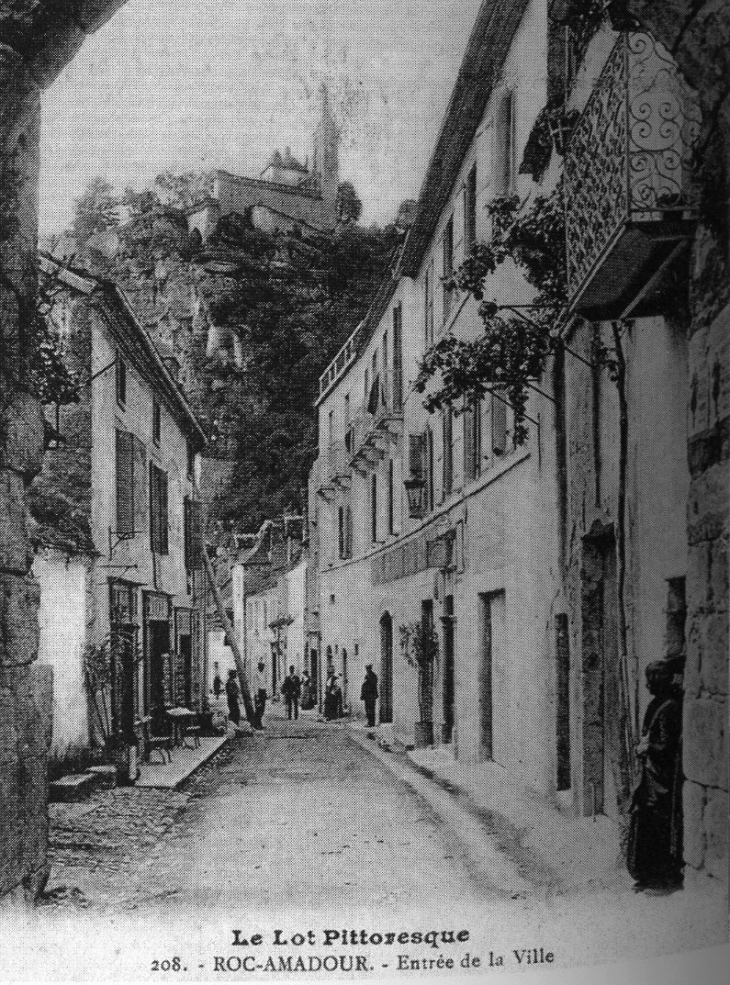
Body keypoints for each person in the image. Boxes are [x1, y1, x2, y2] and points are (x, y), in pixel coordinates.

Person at [627, 658, 684, 893]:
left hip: (661, 779)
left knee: (659, 826)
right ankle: (647, 875)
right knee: (646, 823)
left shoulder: (670, 707)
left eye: (655, 680)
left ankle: (660, 878)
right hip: (650, 777)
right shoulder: (658, 704)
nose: (650, 685)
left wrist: (647, 748)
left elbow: (666, 747)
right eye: (650, 679)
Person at [254, 660, 268, 729]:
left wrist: (266, 693)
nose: (262, 668)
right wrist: (256, 696)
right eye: (261, 667)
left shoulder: (264, 674)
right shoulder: (256, 674)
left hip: (263, 692)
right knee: (258, 709)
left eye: (263, 667)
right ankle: (257, 724)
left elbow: (265, 683)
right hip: (258, 693)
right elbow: (256, 685)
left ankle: (260, 724)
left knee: (262, 709)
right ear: (259, 667)